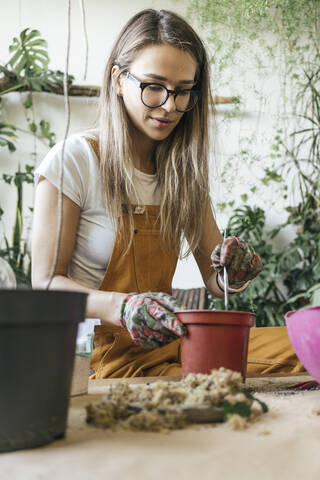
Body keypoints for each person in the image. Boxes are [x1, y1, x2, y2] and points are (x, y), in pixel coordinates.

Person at [32, 9, 305, 378]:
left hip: (171, 343)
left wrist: (234, 273)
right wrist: (123, 308)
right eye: (154, 86)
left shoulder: (183, 170)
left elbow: (216, 279)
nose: (170, 106)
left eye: (182, 91)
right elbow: (46, 285)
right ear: (118, 79)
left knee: (304, 343)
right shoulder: (75, 159)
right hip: (100, 359)